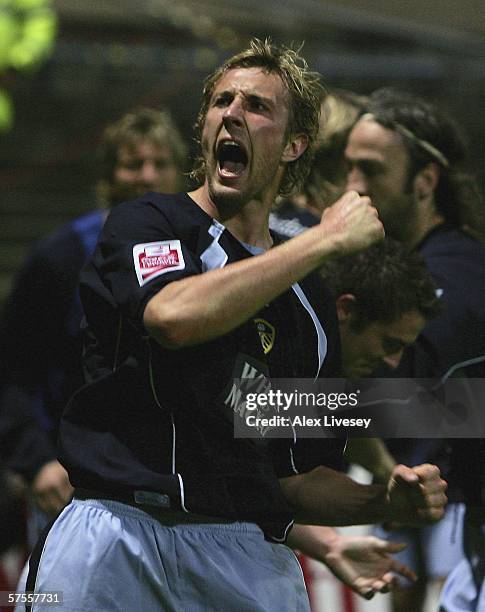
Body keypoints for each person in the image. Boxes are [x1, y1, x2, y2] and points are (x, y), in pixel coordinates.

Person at [28, 40, 446, 611]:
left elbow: (294, 478)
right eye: (222, 101)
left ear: (295, 144)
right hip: (113, 531)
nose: (232, 113)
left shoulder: (308, 304)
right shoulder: (150, 221)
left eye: (256, 106)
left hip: (242, 548)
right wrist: (323, 240)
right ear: (203, 128)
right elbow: (172, 317)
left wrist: (385, 503)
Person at [0, 107, 187, 524]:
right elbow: (13, 372)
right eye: (133, 164)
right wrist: (36, 461)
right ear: (107, 177)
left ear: (181, 175)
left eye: (161, 164)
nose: (148, 177)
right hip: (73, 490)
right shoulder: (60, 258)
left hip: (174, 494)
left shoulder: (206, 256)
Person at [344, 87, 485, 611]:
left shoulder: (455, 281)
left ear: (425, 182)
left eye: (372, 171)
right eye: (348, 168)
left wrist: (266, 408)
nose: (352, 189)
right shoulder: (422, 267)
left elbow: (397, 405)